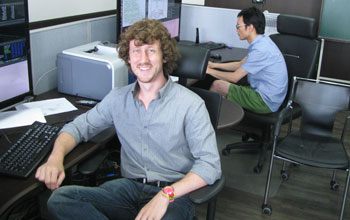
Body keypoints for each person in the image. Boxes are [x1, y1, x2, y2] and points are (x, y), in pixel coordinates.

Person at [35, 19, 221, 220]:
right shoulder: (117, 98)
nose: (143, 59)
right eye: (136, 51)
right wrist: (55, 159)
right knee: (60, 199)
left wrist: (165, 195)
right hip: (127, 189)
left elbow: (209, 165)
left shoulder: (191, 104)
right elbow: (79, 127)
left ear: (164, 56)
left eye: (151, 51)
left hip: (173, 193)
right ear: (128, 59)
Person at [195, 7, 288, 114]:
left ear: (250, 28)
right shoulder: (263, 41)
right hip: (271, 97)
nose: (236, 30)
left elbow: (234, 77)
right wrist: (214, 65)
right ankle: (223, 117)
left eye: (238, 26)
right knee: (223, 86)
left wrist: (209, 71)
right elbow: (241, 64)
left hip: (264, 101)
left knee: (218, 85)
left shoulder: (260, 50)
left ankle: (208, 122)